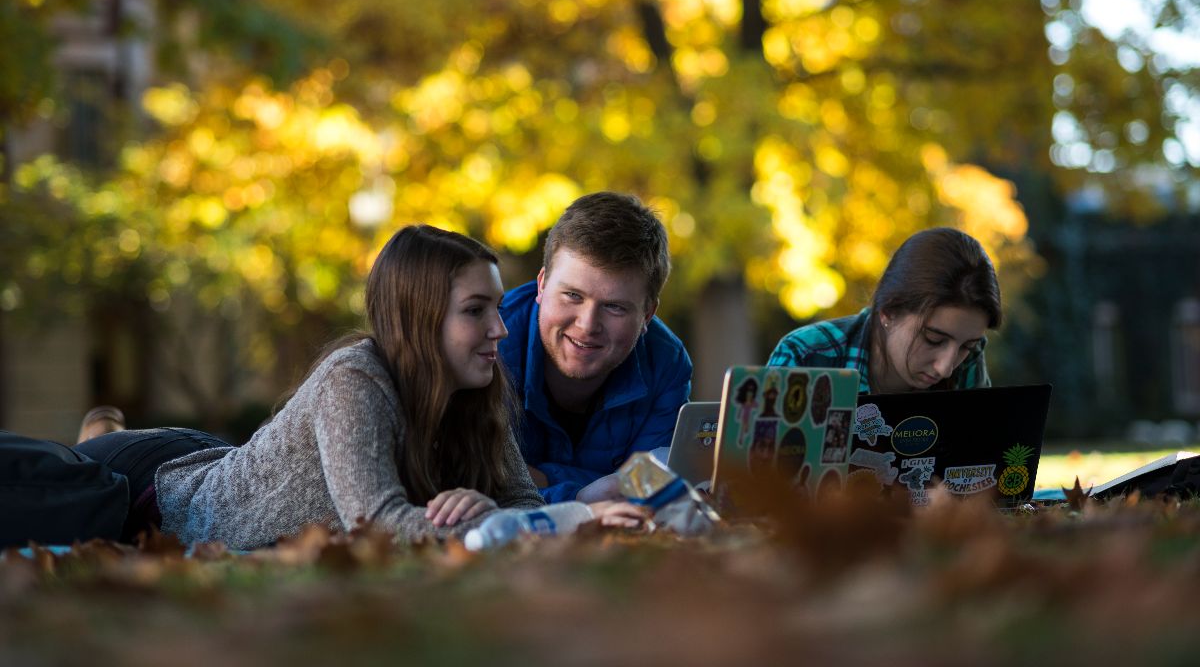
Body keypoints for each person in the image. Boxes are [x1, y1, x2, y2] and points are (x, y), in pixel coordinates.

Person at [67, 225, 644, 549]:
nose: (500, 328)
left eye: (496, 307)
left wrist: (497, 510)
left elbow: (519, 506)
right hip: (145, 491)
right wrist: (564, 520)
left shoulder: (476, 390)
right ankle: (102, 435)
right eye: (476, 309)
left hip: (212, 457)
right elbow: (384, 526)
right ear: (419, 317)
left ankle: (106, 430)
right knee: (68, 468)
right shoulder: (357, 379)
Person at [500, 192, 693, 503]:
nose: (587, 325)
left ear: (647, 315)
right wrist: (592, 491)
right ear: (542, 284)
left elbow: (651, 492)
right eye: (573, 296)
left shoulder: (667, 363)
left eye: (614, 307)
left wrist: (542, 478)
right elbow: (479, 482)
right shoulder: (491, 343)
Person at [767, 227, 1000, 394]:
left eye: (966, 347)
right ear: (888, 312)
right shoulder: (806, 354)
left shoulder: (967, 360)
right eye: (933, 339)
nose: (946, 368)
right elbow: (753, 459)